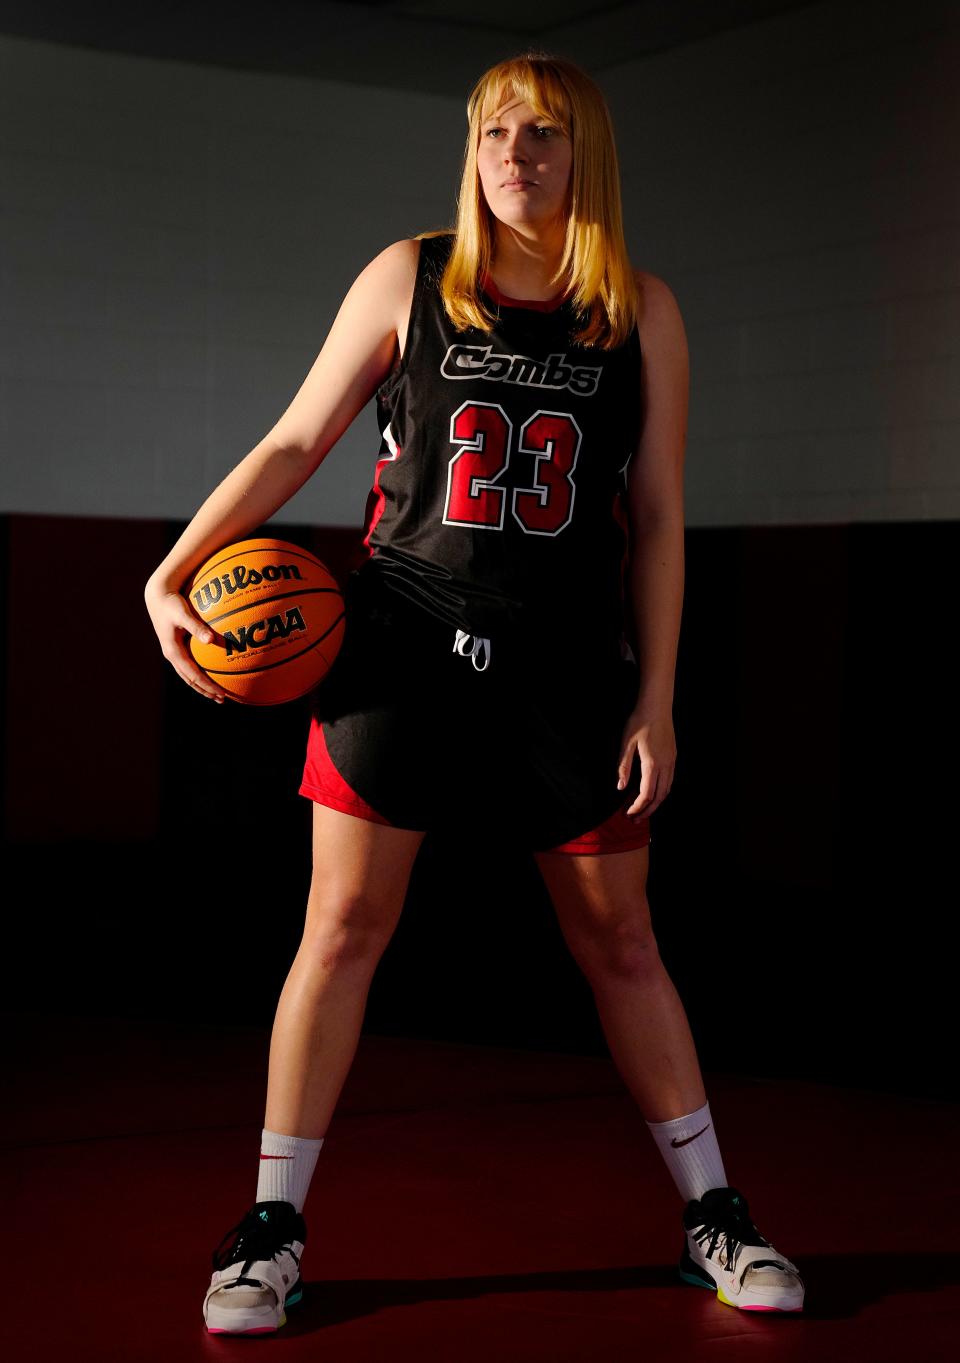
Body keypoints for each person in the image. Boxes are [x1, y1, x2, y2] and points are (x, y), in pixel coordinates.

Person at [145, 52, 804, 1333]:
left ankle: (714, 1213)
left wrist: (656, 693)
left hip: (565, 666)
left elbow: (659, 517)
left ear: (587, 151)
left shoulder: (640, 310)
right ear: (473, 145)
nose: (517, 154)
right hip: (399, 646)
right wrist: (170, 568)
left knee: (622, 941)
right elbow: (295, 437)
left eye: (546, 132)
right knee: (339, 933)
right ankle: (270, 1229)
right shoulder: (410, 278)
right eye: (497, 130)